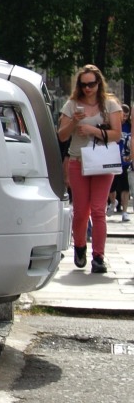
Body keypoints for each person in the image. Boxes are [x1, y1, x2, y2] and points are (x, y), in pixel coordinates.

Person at [58, 65, 123, 273]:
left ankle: (98, 256)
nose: (88, 88)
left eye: (92, 84)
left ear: (99, 83)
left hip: (103, 162)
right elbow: (62, 136)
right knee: (80, 212)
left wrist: (92, 130)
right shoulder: (72, 105)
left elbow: (116, 135)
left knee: (98, 210)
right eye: (84, 84)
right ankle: (79, 246)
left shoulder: (109, 104)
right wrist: (74, 123)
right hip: (78, 162)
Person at [109, 104, 132, 221]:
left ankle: (124, 212)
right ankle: (113, 202)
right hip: (112, 160)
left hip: (124, 162)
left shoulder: (129, 126)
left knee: (125, 187)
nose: (124, 118)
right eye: (123, 115)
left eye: (127, 116)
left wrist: (130, 156)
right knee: (111, 188)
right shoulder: (113, 125)